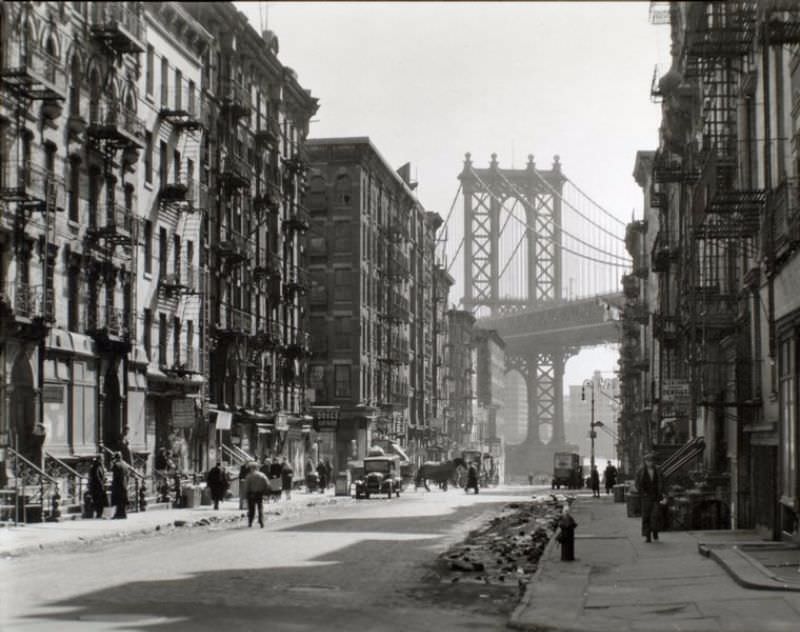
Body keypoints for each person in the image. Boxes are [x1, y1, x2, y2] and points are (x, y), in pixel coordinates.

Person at [635, 452, 664, 542]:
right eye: (648, 461)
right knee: (646, 516)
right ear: (645, 462)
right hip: (646, 497)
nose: (650, 463)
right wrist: (642, 492)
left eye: (651, 461)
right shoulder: (640, 471)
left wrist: (662, 493)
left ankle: (655, 531)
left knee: (655, 515)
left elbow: (662, 482)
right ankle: (647, 536)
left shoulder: (658, 470)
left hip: (656, 496)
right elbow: (637, 483)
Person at [244, 463, 270, 528]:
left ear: (251, 468)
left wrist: (246, 495)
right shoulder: (262, 475)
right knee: (260, 508)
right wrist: (265, 492)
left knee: (251, 509)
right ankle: (261, 522)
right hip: (259, 494)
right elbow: (267, 484)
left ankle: (250, 522)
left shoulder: (249, 476)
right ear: (257, 468)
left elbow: (246, 487)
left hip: (251, 494)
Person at [110, 452, 129, 519]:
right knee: (122, 500)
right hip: (124, 484)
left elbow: (115, 476)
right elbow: (128, 475)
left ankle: (118, 514)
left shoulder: (116, 465)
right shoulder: (125, 464)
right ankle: (123, 514)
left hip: (118, 485)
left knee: (118, 500)